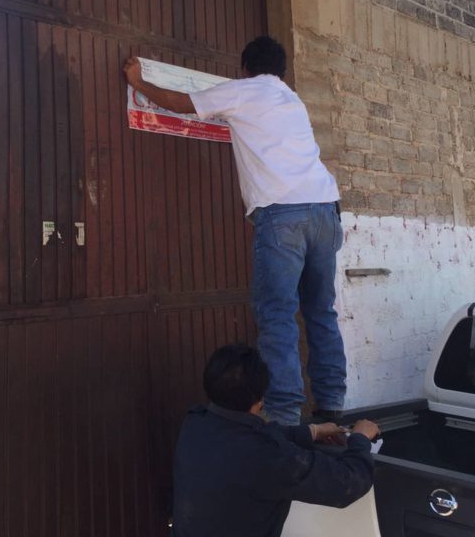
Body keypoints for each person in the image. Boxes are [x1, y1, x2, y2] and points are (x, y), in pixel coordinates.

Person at [124, 36, 345, 425]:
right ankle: (331, 407)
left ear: (245, 68)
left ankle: (284, 416)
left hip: (283, 215)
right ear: (282, 71)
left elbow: (183, 104)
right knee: (320, 312)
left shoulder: (243, 91)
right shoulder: (292, 100)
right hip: (326, 211)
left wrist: (138, 81)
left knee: (277, 315)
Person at [172, 344, 379, 537]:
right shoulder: (266, 456)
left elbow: (249, 437)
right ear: (260, 400)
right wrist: (360, 438)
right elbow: (346, 484)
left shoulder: (195, 424)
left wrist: (312, 431)